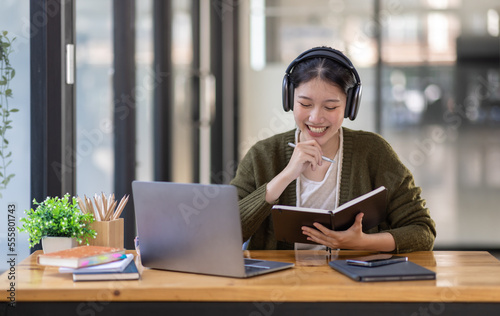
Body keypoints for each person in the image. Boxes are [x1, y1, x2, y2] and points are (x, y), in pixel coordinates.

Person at [230, 47, 436, 253]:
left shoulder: (374, 152)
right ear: (289, 99)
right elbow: (226, 233)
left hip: (353, 283)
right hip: (281, 284)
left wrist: (362, 242)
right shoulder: (263, 155)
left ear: (349, 106)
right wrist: (284, 176)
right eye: (305, 104)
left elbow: (423, 231)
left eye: (330, 107)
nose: (315, 118)